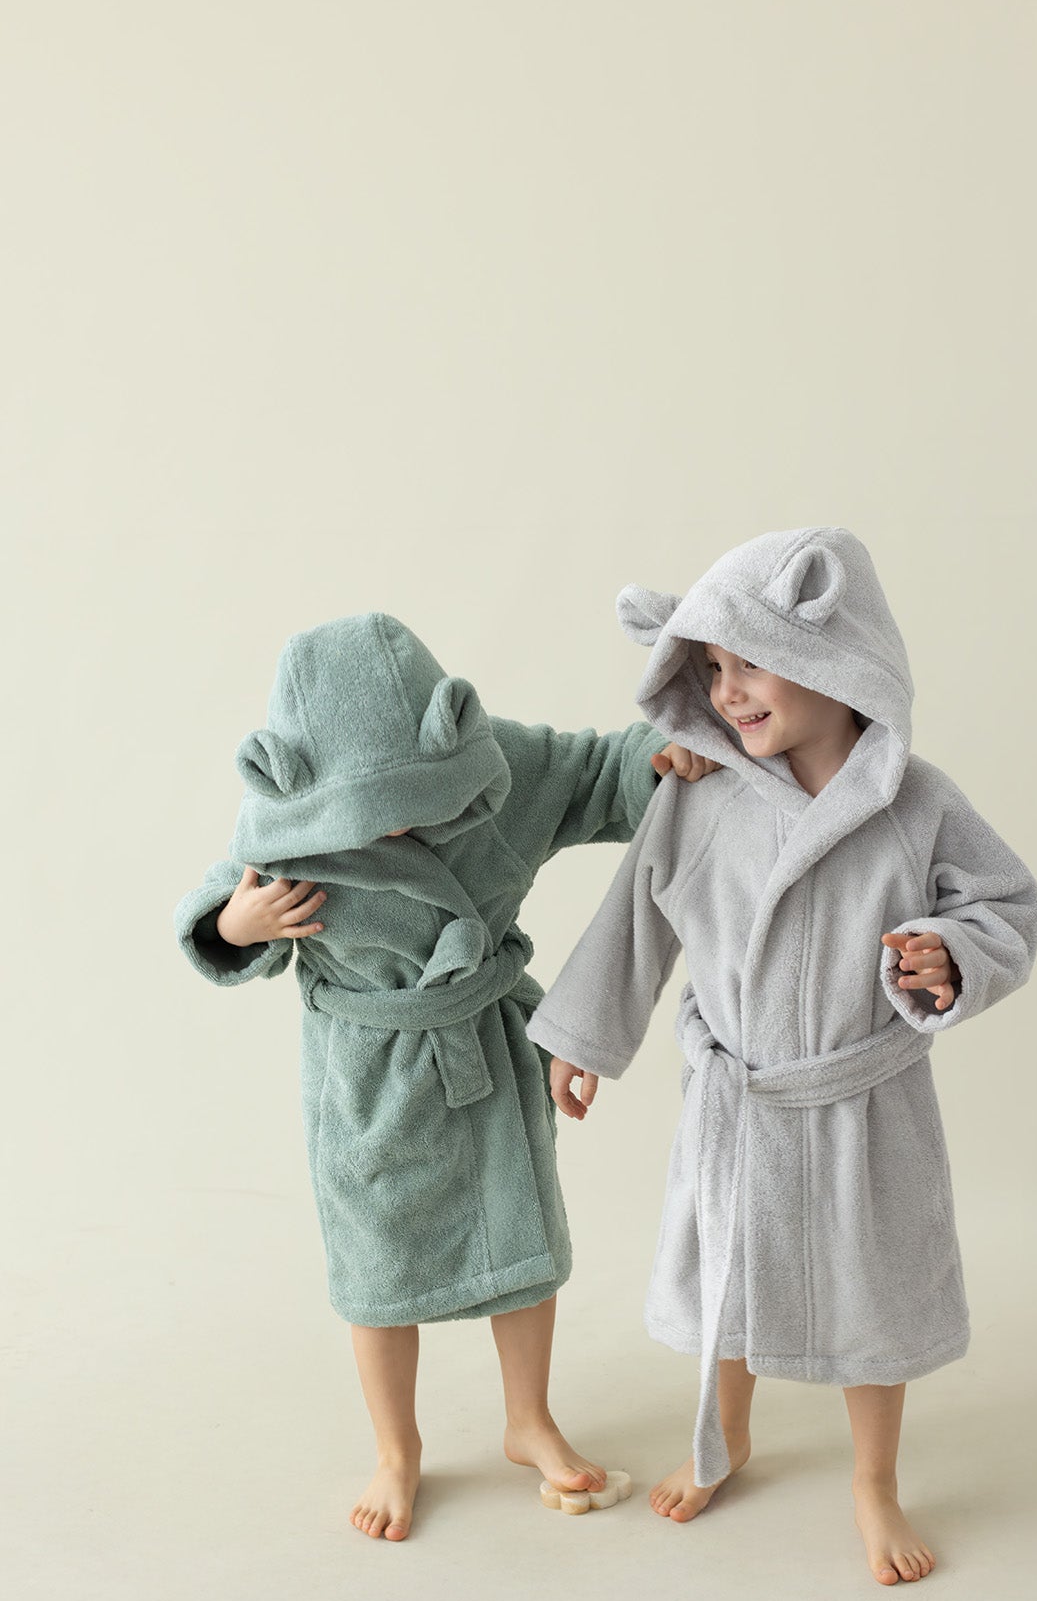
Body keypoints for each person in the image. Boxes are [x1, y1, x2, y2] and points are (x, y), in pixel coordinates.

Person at [525, 527, 1037, 1586]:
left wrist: (950, 955)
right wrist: (583, 1040)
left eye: (748, 663)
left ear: (833, 655)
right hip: (741, 1097)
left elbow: (1005, 903)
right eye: (711, 668)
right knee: (731, 1275)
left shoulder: (918, 803)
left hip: (864, 1101)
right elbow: (637, 918)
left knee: (876, 1295)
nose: (727, 692)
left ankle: (874, 1482)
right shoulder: (699, 795)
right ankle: (727, 1435)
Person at [174, 611, 717, 1542]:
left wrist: (656, 759)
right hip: (367, 1080)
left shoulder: (494, 767)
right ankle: (397, 1451)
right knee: (378, 1270)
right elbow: (216, 909)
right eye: (373, 808)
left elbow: (597, 770)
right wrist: (238, 926)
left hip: (487, 1048)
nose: (396, 824)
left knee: (523, 1244)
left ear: (448, 739)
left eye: (419, 796)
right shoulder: (288, 821)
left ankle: (528, 1420)